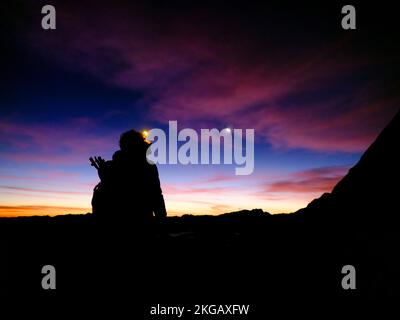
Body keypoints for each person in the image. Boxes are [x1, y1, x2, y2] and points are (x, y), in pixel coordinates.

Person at [90, 130, 167, 222]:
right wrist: (162, 218)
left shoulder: (111, 165)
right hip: (139, 219)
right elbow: (156, 194)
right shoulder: (147, 165)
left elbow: (155, 194)